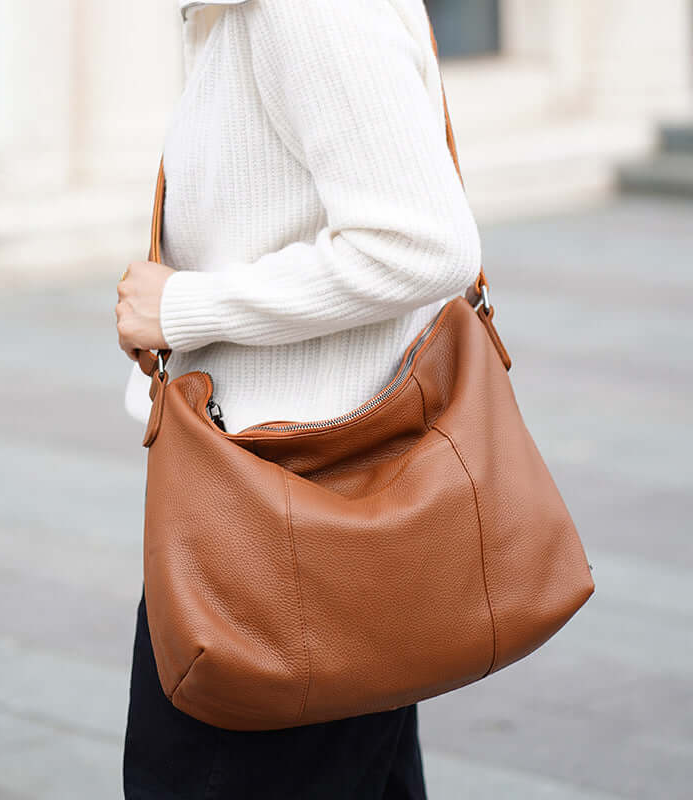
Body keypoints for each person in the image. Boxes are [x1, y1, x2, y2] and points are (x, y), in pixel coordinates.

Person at [115, 0, 481, 797]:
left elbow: (424, 241)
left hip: (289, 529)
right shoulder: (235, 16)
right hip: (293, 508)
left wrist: (185, 307)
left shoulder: (307, 8)